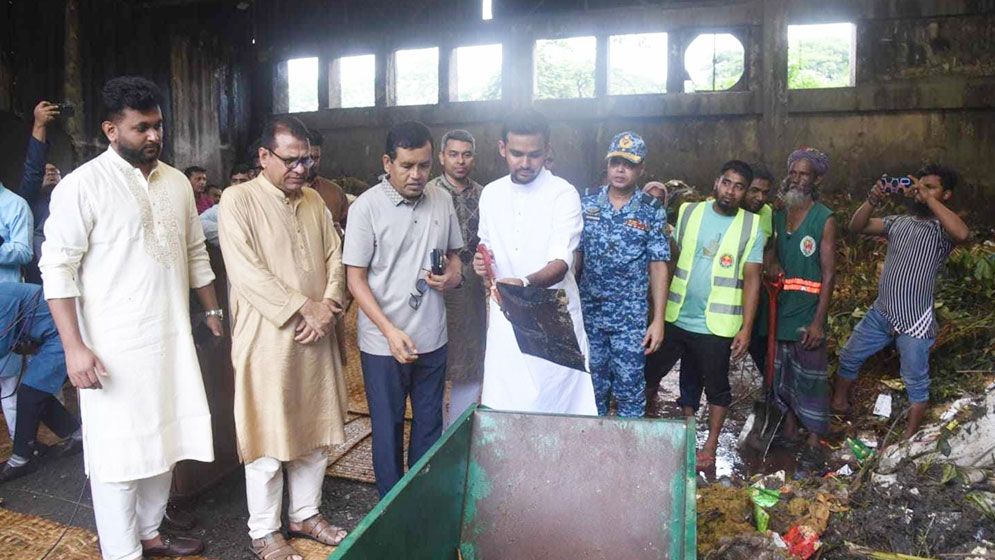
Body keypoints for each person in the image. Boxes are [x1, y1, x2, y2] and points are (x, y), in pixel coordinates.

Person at [40, 76, 223, 560]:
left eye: (158, 126)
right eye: (141, 128)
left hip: (171, 338)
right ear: (110, 129)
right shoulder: (82, 186)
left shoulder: (178, 182)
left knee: (166, 440)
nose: (154, 137)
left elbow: (194, 252)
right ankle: (123, 552)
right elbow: (56, 271)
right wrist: (74, 348)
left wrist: (212, 310)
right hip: (111, 348)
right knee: (119, 458)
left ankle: (151, 534)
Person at [218, 116, 350, 559]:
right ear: (263, 157)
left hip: (318, 333)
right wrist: (305, 308)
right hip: (268, 339)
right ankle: (264, 530)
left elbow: (336, 257)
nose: (301, 168)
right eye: (291, 159)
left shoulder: (314, 200)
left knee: (314, 432)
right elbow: (246, 272)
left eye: (307, 159)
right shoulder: (237, 201)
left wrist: (328, 308)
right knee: (267, 434)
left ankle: (305, 514)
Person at [343, 121, 463, 496]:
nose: (417, 175)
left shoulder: (441, 199)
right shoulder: (366, 209)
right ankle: (390, 510)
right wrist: (389, 331)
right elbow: (355, 280)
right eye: (407, 165)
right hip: (384, 343)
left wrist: (453, 276)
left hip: (432, 336)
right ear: (387, 162)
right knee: (388, 426)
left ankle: (421, 502)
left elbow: (455, 256)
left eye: (424, 166)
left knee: (429, 425)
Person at [472, 110, 596, 415]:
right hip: (505, 314)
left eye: (534, 154)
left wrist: (525, 283)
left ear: (547, 151)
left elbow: (561, 262)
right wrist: (481, 265)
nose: (525, 163)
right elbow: (486, 248)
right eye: (516, 153)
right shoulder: (491, 194)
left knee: (556, 410)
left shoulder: (563, 194)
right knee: (505, 405)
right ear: (502, 148)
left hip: (552, 315)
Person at [834, 164, 970, 439]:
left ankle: (908, 437)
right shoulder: (898, 222)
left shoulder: (941, 230)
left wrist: (927, 198)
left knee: (916, 382)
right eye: (921, 185)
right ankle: (838, 403)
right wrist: (873, 200)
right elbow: (855, 226)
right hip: (882, 312)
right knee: (849, 356)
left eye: (931, 187)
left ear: (946, 195)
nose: (922, 191)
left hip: (915, 321)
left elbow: (963, 234)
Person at [646, 160, 764, 468]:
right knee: (652, 372)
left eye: (739, 186)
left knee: (715, 386)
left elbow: (753, 279)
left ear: (745, 191)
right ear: (716, 182)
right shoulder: (689, 212)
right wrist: (655, 310)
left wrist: (746, 329)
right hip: (676, 313)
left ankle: (709, 448)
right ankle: (670, 433)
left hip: (717, 324)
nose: (730, 191)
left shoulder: (752, 226)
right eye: (726, 182)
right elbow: (669, 259)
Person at [577, 131, 669, 417]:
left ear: (641, 169)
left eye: (628, 164)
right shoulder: (586, 203)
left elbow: (658, 264)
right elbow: (573, 256)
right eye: (615, 162)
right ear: (607, 164)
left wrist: (658, 320)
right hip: (590, 313)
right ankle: (594, 455)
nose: (620, 169)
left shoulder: (650, 210)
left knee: (630, 391)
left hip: (630, 319)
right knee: (592, 388)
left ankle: (628, 456)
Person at [763, 148, 837, 468]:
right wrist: (774, 259)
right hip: (782, 308)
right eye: (792, 172)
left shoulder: (825, 218)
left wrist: (819, 321)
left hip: (808, 312)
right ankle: (790, 431)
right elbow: (768, 253)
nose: (795, 178)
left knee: (811, 377)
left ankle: (813, 439)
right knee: (784, 374)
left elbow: (830, 273)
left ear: (815, 179)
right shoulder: (778, 216)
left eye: (803, 173)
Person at [425, 129, 487, 428]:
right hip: (433, 288)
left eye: (467, 154)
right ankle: (431, 431)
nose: (460, 161)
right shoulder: (427, 193)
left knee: (469, 360)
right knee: (432, 359)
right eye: (453, 154)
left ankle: (458, 430)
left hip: (472, 290)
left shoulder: (485, 195)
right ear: (441, 157)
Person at [0, 282, 82, 483]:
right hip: (53, 334)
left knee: (30, 393)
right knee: (35, 393)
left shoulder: (3, 299)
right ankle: (78, 434)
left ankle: (22, 458)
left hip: (61, 335)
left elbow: (1, 344)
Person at [18, 101, 63, 284]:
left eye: (56, 171)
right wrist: (39, 125)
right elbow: (33, 169)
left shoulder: (70, 199)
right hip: (39, 276)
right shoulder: (26, 202)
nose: (51, 173)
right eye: (47, 172)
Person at [743, 163, 776, 375]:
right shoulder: (729, 211)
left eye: (765, 192)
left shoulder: (767, 213)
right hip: (726, 293)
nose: (760, 198)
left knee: (759, 344)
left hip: (754, 288)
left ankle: (770, 392)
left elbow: (770, 244)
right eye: (754, 190)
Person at [305, 129, 350, 235]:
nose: (312, 163)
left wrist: (341, 233)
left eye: (316, 158)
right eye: (307, 158)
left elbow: (353, 231)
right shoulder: (285, 192)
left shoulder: (335, 193)